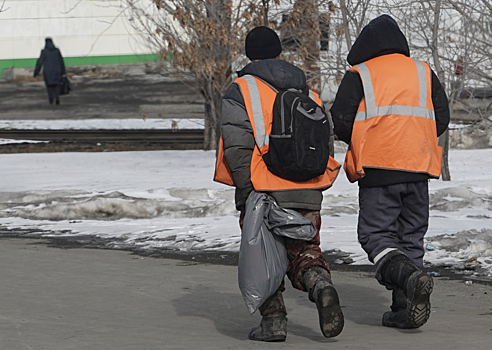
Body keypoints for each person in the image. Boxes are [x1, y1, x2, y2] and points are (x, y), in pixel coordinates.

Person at [214, 26, 344, 341]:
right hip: (307, 189)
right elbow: (324, 142)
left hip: (263, 189)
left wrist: (248, 192)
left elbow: (237, 146)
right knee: (305, 250)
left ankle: (273, 323)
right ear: (279, 53)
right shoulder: (307, 90)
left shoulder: (241, 89)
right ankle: (320, 285)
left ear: (248, 54)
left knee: (263, 258)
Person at [330, 15, 450, 329]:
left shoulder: (361, 74)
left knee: (375, 236)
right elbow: (442, 116)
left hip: (378, 169)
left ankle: (411, 279)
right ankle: (405, 308)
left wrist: (367, 139)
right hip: (419, 168)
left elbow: (341, 119)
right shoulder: (423, 71)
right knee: (410, 239)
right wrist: (414, 140)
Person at [34, 37, 66, 105]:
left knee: (49, 86)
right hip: (57, 70)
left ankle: (51, 99)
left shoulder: (44, 51)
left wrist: (36, 73)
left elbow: (39, 62)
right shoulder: (57, 50)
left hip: (47, 71)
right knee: (56, 85)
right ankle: (57, 98)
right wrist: (63, 72)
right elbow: (61, 61)